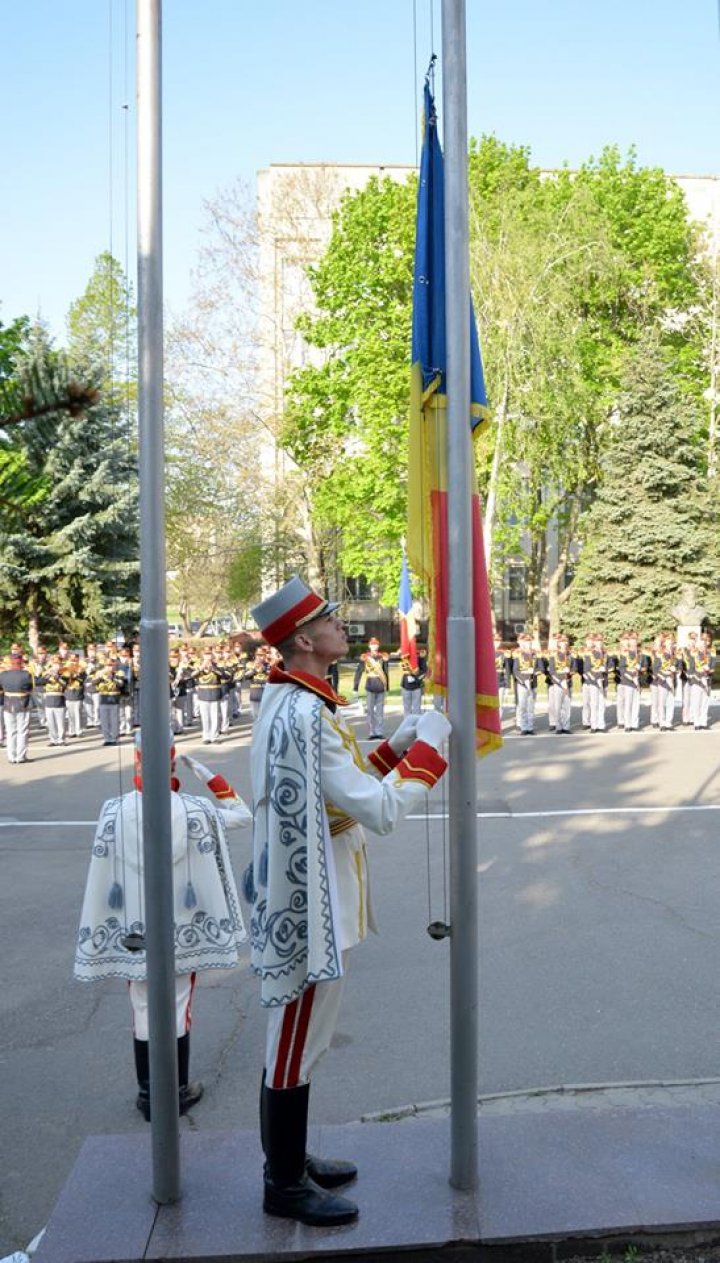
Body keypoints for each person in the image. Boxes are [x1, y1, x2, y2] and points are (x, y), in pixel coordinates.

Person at [248, 576, 451, 1227]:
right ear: (305, 638)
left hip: (308, 889)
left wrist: (402, 737)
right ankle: (282, 1183)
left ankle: (290, 1157)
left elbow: (345, 784)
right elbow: (381, 809)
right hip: (310, 903)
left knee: (297, 1040)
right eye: (332, 617)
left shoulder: (295, 701)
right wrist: (432, 745)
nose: (344, 625)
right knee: (292, 1041)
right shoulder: (305, 714)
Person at [74, 733, 250, 1120]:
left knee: (142, 1006)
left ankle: (147, 1094)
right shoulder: (194, 809)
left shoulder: (113, 809)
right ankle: (176, 1091)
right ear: (172, 764)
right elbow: (243, 814)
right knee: (178, 1006)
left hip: (135, 929)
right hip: (181, 927)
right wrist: (210, 776)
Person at [0, 651, 34, 763]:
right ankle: (20, 757)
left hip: (8, 704)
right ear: (21, 662)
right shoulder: (26, 674)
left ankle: (11, 756)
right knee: (22, 731)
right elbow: (30, 688)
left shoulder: (3, 675)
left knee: (10, 732)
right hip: (22, 704)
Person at [353, 637, 389, 739]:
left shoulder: (383, 656)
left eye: (376, 644)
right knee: (370, 710)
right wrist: (355, 687)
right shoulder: (365, 657)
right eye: (372, 644)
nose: (374, 646)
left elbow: (386, 672)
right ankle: (372, 732)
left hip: (380, 685)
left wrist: (387, 687)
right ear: (369, 646)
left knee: (380, 711)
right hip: (370, 684)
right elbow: (359, 672)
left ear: (378, 645)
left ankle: (379, 731)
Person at [544, 634, 573, 734]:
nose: (564, 644)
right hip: (558, 683)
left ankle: (566, 726)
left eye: (565, 643)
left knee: (567, 706)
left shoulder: (570, 655)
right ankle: (558, 726)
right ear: (558, 644)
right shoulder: (554, 656)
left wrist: (570, 672)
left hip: (568, 683)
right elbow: (551, 671)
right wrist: (560, 681)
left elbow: (575, 668)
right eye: (562, 643)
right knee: (557, 706)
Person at [511, 631, 539, 735]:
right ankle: (523, 727)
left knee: (531, 707)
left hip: (532, 683)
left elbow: (540, 667)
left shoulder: (534, 653)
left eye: (530, 641)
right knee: (522, 706)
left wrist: (534, 672)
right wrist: (523, 679)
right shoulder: (519, 654)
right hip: (522, 683)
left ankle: (530, 727)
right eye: (526, 641)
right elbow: (515, 670)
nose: (528, 643)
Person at [399, 648, 426, 716]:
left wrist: (415, 678)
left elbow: (424, 671)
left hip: (416, 686)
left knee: (416, 710)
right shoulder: (405, 657)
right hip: (405, 686)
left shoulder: (419, 658)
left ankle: (416, 726)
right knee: (406, 710)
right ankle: (407, 726)